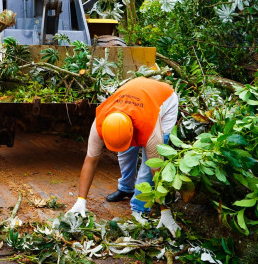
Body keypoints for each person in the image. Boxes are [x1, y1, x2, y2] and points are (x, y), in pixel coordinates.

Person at [67, 77, 181, 235]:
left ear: (133, 131)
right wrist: (81, 200)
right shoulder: (100, 121)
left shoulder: (150, 129)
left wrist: (165, 211)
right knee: (126, 152)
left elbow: (156, 170)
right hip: (135, 100)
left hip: (164, 101)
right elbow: (91, 160)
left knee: (149, 164)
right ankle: (126, 188)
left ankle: (140, 208)